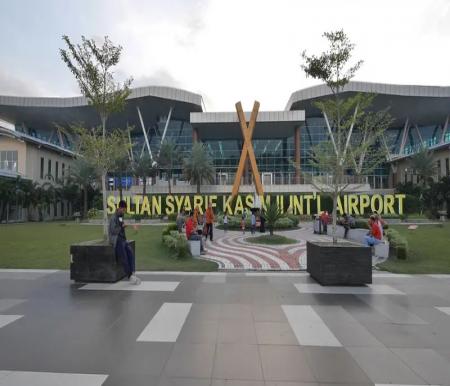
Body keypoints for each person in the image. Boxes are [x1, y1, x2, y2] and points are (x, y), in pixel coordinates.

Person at [108, 200, 141, 285]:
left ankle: (133, 272)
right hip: (116, 239)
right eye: (123, 210)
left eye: (124, 210)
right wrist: (121, 226)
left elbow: (122, 224)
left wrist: (130, 226)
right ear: (119, 208)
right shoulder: (113, 218)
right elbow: (113, 231)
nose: (124, 212)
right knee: (124, 256)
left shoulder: (120, 215)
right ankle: (130, 276)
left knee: (130, 252)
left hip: (122, 239)